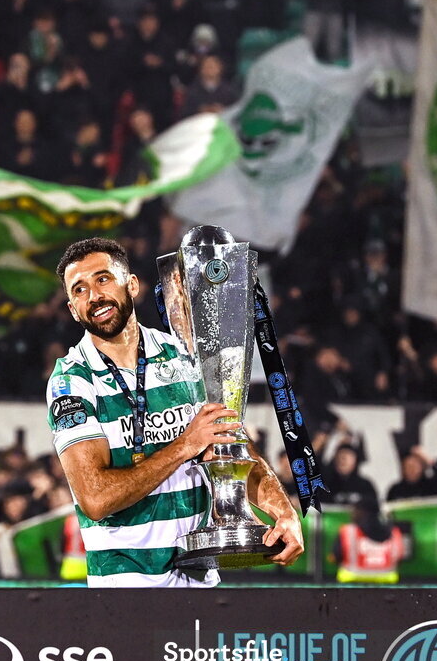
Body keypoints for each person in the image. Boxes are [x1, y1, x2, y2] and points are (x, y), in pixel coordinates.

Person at [46, 233, 303, 588]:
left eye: (103, 279)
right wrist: (185, 444)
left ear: (131, 285)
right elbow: (96, 498)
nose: (94, 296)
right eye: (79, 290)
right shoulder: (72, 381)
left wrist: (283, 511)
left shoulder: (181, 356)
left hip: (199, 581)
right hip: (126, 592)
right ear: (73, 309)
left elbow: (228, 442)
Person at [333, 497, 403, 584]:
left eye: (355, 510)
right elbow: (400, 557)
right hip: (387, 582)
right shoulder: (394, 532)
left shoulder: (348, 531)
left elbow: (336, 556)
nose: (352, 513)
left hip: (351, 583)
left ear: (361, 511)